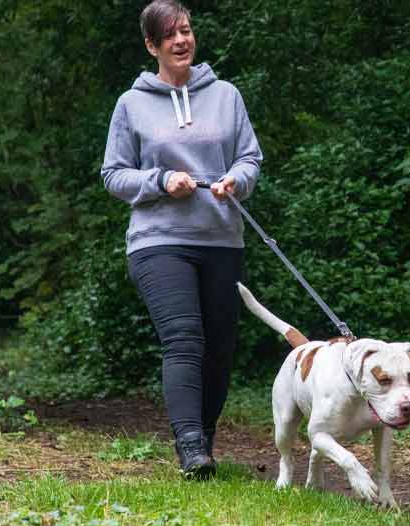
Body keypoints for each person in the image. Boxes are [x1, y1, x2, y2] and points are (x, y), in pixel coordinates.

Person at [100, 0, 262, 479]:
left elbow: (250, 158)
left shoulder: (226, 95)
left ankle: (205, 440)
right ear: (152, 45)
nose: (181, 41)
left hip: (221, 238)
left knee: (219, 345)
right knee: (184, 338)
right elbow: (113, 174)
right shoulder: (132, 104)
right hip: (158, 240)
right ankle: (190, 448)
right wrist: (160, 180)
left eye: (186, 31)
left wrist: (236, 179)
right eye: (169, 35)